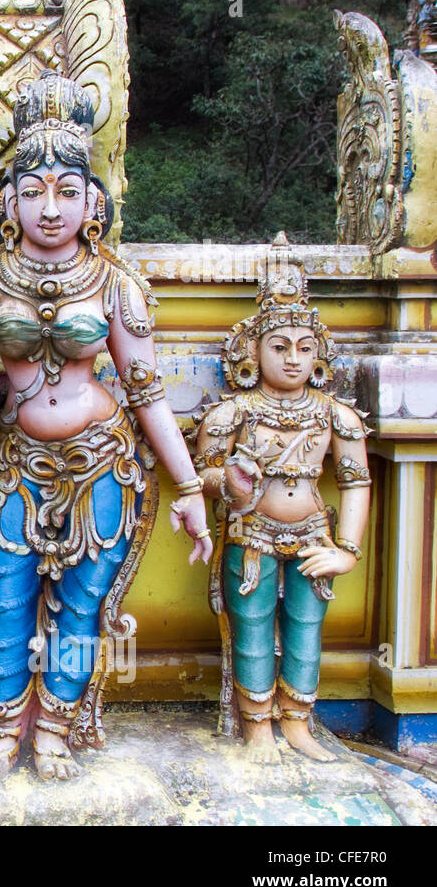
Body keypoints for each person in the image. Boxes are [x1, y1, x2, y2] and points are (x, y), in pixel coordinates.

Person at [0, 70, 212, 782]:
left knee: (84, 603)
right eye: (32, 192)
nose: (49, 208)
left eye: (66, 190)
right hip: (20, 463)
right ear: (9, 202)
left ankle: (53, 727)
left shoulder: (115, 282)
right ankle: (1, 732)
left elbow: (148, 392)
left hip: (104, 463)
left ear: (93, 200)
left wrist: (189, 487)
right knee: (7, 594)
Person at [193, 235, 370, 763]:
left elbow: (357, 481)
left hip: (313, 532)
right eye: (279, 346)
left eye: (304, 347)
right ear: (253, 351)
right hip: (252, 536)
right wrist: (229, 482)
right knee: (250, 625)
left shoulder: (336, 415)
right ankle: (257, 725)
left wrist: (347, 550)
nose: (293, 359)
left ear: (319, 354)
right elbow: (199, 476)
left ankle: (297, 721)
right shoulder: (232, 413)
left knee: (306, 626)